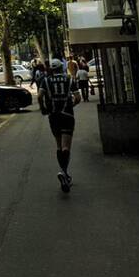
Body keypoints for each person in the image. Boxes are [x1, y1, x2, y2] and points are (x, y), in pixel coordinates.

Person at [38, 57, 81, 193]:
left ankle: (64, 173)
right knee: (66, 147)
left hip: (54, 116)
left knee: (58, 145)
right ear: (62, 68)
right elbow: (78, 98)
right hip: (67, 115)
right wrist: (71, 105)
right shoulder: (69, 79)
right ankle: (64, 172)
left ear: (51, 69)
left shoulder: (45, 81)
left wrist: (43, 108)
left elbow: (39, 96)